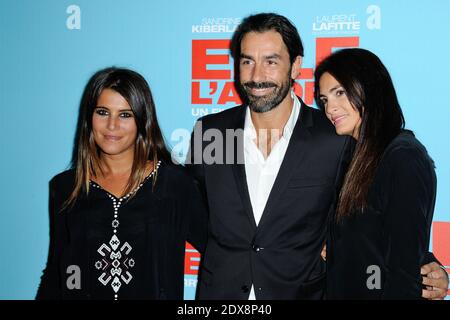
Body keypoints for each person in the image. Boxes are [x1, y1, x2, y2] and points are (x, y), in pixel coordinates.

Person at [186, 13, 448, 300]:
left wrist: (424, 262)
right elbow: (191, 211)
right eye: (247, 61)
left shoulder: (333, 138)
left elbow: (366, 214)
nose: (257, 76)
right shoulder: (212, 133)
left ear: (296, 66)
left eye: (271, 61)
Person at [36, 67, 207, 300]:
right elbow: (56, 273)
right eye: (103, 112)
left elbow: (220, 256)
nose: (112, 125)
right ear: (89, 117)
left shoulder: (175, 185)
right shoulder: (65, 187)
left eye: (125, 114)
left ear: (142, 120)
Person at [315, 48, 447, 299]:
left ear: (370, 88)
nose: (330, 108)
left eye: (340, 93)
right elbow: (373, 240)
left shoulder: (402, 157)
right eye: (324, 100)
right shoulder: (353, 157)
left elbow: (403, 269)